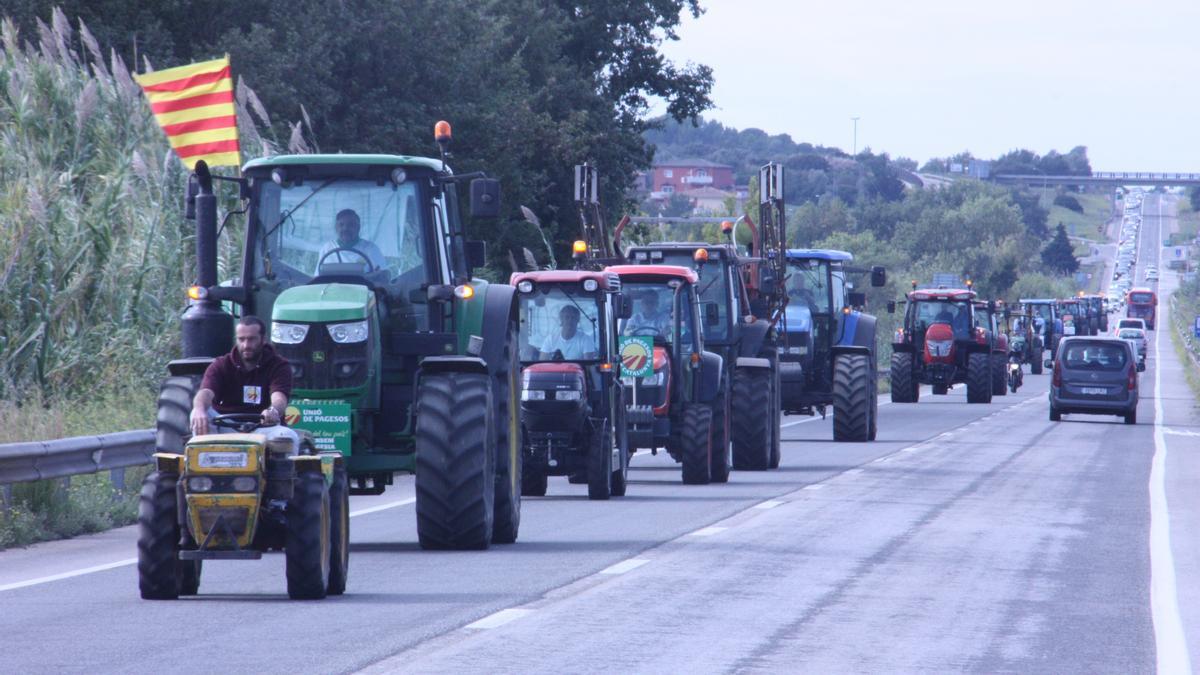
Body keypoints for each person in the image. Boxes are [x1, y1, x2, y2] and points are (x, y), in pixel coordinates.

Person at [189, 315, 300, 454]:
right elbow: (205, 392)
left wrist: (273, 411)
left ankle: (283, 475)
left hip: (263, 428)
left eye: (252, 339)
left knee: (288, 437)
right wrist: (199, 409)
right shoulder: (221, 365)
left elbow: (279, 399)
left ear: (263, 340)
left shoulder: (278, 366)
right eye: (241, 339)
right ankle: (204, 472)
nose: (246, 345)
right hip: (225, 425)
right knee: (198, 413)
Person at [315, 208, 386, 273]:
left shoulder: (371, 249)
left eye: (351, 225)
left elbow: (382, 278)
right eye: (341, 225)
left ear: (358, 228)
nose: (345, 228)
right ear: (336, 228)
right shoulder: (327, 248)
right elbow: (318, 277)